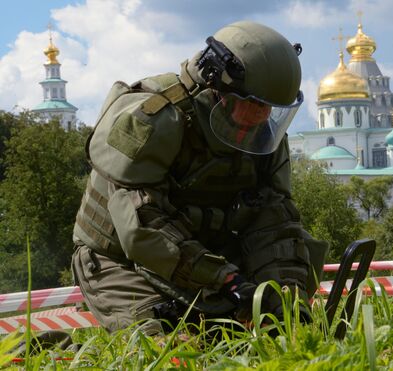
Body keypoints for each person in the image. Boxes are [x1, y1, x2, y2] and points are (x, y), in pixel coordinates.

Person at [71, 21, 328, 334]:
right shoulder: (154, 121)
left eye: (272, 109)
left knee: (250, 335)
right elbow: (142, 227)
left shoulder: (262, 137)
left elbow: (273, 220)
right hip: (119, 262)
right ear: (215, 85)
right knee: (165, 347)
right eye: (254, 104)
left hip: (208, 260)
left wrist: (286, 296)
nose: (262, 117)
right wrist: (223, 279)